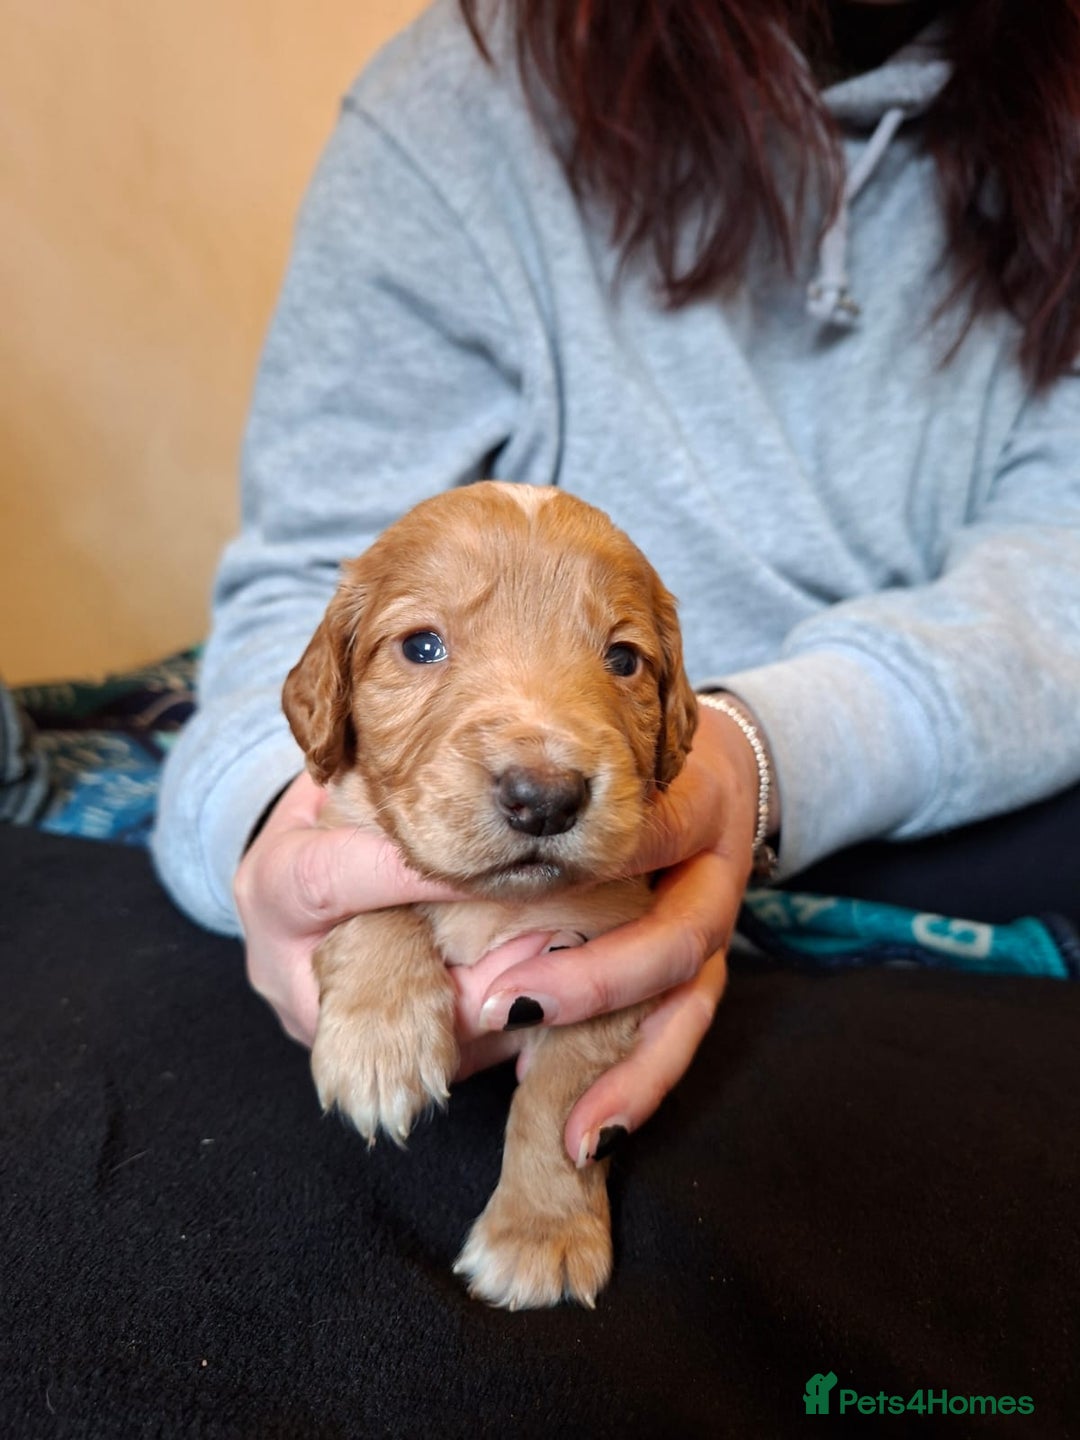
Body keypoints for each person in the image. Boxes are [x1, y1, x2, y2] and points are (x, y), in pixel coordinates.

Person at [152, 0, 1080, 1170]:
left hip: (949, 782)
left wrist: (760, 756)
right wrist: (272, 837)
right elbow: (312, 576)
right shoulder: (463, 96)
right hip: (463, 852)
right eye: (429, 645)